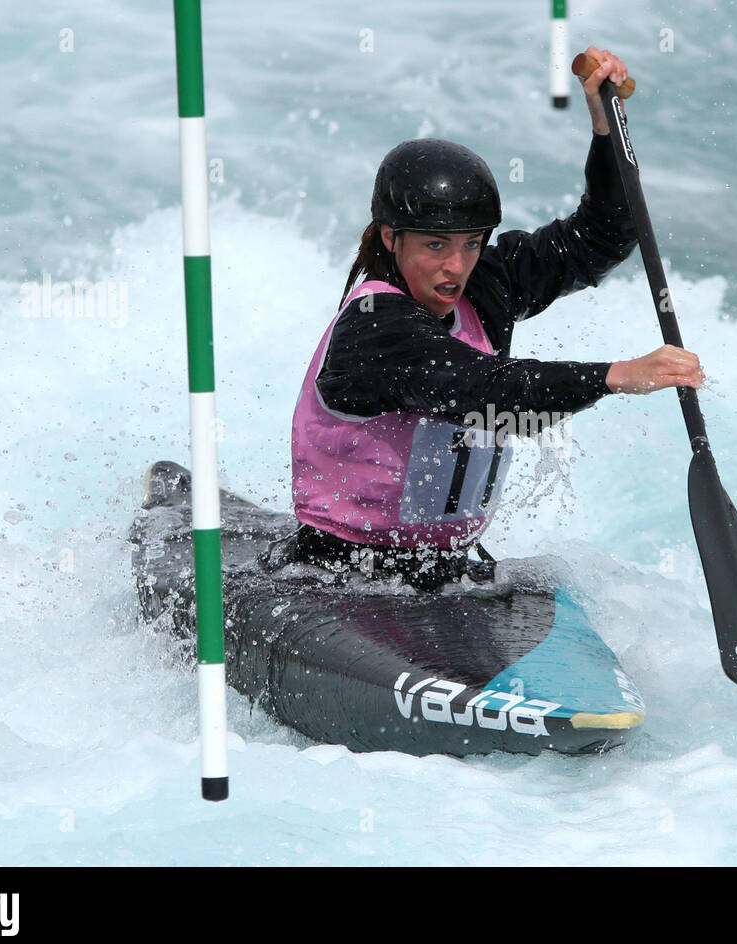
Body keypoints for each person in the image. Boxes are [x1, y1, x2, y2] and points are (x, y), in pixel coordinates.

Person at [277, 46, 703, 590]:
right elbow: (483, 390)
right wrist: (613, 375)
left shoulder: (482, 286)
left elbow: (599, 237)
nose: (456, 267)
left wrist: (606, 132)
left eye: (472, 244)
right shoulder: (374, 325)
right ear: (391, 236)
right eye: (435, 245)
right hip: (341, 577)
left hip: (447, 574)